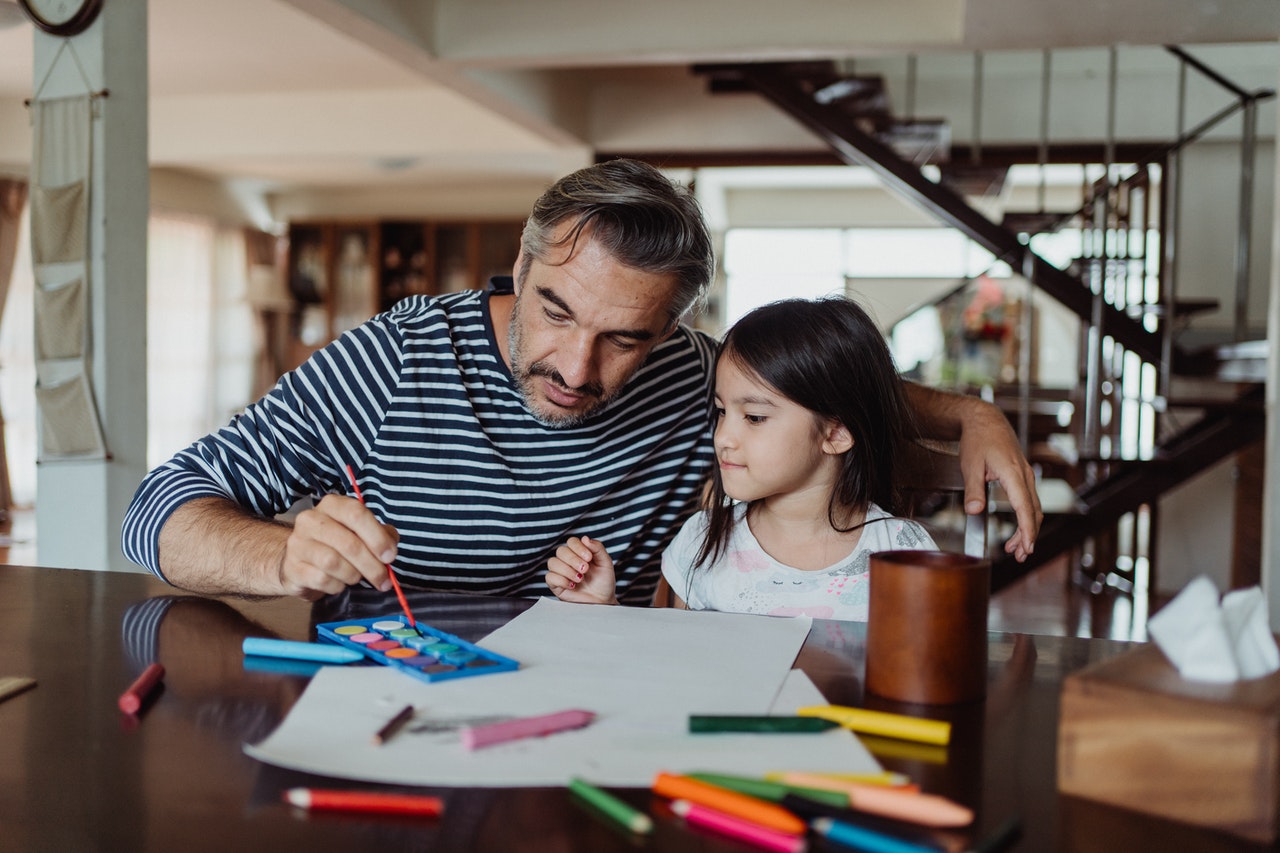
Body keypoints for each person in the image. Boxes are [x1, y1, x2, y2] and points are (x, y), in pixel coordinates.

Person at [122, 159, 1042, 604]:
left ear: (674, 330)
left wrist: (969, 413)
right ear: (519, 268)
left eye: (623, 340)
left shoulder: (694, 378)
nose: (574, 369)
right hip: (411, 714)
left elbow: (814, 387)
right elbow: (154, 510)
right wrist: (279, 558)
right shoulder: (398, 360)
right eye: (556, 311)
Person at [547, 296, 939, 620]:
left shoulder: (904, 552)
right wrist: (604, 607)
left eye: (754, 417)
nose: (723, 438)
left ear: (836, 433)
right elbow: (667, 663)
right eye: (721, 412)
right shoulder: (701, 540)